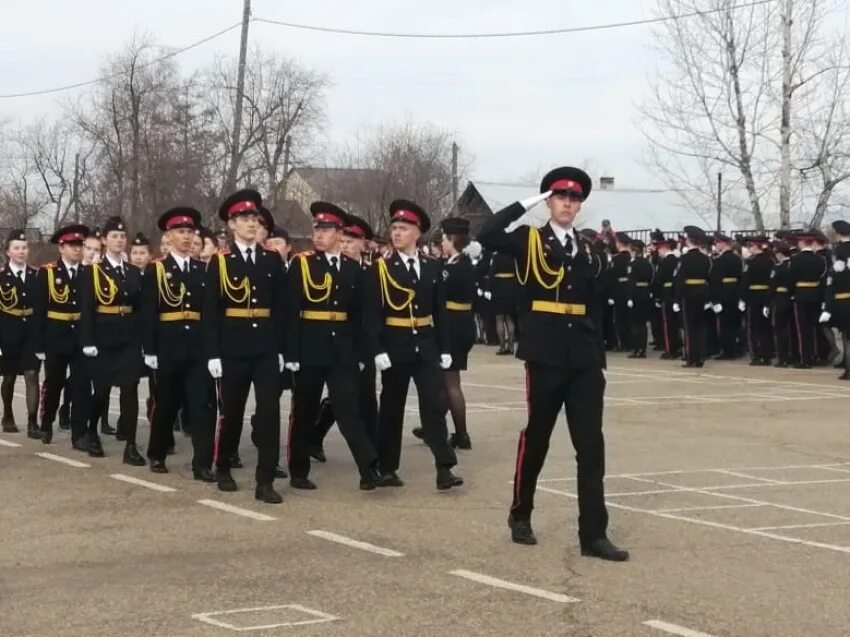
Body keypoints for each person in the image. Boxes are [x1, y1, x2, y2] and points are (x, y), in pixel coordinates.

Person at [477, 166, 627, 561]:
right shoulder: (530, 240)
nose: (567, 204)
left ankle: (593, 534)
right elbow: (487, 234)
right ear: (549, 201)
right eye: (560, 197)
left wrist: (598, 348)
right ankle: (520, 513)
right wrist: (527, 202)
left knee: (591, 446)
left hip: (583, 356)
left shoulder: (590, 249)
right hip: (545, 353)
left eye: (574, 199)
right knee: (538, 438)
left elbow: (597, 300)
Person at [364, 199, 463, 490]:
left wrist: (445, 349)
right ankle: (386, 467)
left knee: (433, 406)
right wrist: (377, 349)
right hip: (395, 346)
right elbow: (372, 315)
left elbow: (441, 312)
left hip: (426, 344)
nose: (396, 233)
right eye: (394, 228)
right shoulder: (380, 269)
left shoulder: (432, 267)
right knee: (391, 409)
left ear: (416, 233)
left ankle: (444, 467)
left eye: (403, 228)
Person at [284, 203, 381, 490]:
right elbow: (290, 312)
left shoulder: (354, 269)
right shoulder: (302, 264)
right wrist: (290, 353)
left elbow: (361, 316)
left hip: (343, 349)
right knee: (304, 410)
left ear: (340, 234)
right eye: (317, 229)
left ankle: (368, 466)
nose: (319, 235)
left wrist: (363, 353)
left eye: (326, 230)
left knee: (348, 407)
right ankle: (299, 469)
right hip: (309, 347)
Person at [203, 189, 287, 504]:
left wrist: (282, 351)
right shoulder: (221, 262)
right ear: (231, 224)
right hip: (233, 346)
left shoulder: (270, 259)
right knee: (233, 412)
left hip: (265, 346)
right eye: (244, 219)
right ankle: (223, 464)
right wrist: (212, 353)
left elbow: (282, 308)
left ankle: (265, 479)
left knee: (269, 412)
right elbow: (210, 312)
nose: (252, 224)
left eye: (254, 218)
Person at [142, 207, 217, 481]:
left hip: (197, 347)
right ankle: (157, 452)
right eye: (180, 232)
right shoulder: (157, 269)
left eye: (190, 232)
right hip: (169, 346)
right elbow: (149, 312)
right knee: (167, 404)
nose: (186, 237)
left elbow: (209, 313)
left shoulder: (203, 269)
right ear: (169, 236)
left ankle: (202, 463)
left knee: (202, 406)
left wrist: (213, 349)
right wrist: (149, 349)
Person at [310, 215, 379, 461]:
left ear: (365, 244)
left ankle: (373, 454)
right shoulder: (326, 267)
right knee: (342, 399)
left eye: (352, 240)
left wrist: (370, 348)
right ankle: (314, 438)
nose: (347, 244)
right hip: (338, 344)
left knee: (366, 400)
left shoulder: (368, 272)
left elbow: (370, 312)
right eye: (345, 239)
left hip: (362, 345)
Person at [78, 216, 145, 463]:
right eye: (114, 236)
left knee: (130, 389)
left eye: (122, 236)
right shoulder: (93, 272)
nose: (119, 240)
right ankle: (91, 430)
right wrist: (87, 341)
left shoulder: (133, 271)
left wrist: (142, 340)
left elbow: (139, 308)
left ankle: (130, 445)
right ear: (104, 241)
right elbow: (87, 308)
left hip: (128, 337)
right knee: (101, 392)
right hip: (103, 338)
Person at [34, 225, 90, 446]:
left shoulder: (87, 273)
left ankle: (79, 433)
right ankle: (46, 424)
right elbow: (39, 311)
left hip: (80, 337)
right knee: (54, 383)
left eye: (80, 245)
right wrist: (39, 344)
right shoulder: (48, 273)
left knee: (81, 385)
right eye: (73, 246)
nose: (78, 250)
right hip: (56, 336)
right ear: (62, 247)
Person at [0, 230, 41, 438]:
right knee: (8, 378)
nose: (21, 251)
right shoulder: (1, 277)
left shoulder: (37, 275)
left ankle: (33, 421)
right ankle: (7, 414)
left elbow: (42, 307)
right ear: (8, 252)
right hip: (8, 331)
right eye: (16, 248)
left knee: (32, 375)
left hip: (32, 333)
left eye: (24, 248)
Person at [674, 226, 713, 368]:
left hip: (688, 294)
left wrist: (677, 298)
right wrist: (709, 298)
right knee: (700, 327)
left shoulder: (684, 259)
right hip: (702, 293)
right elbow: (710, 280)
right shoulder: (706, 259)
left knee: (689, 327)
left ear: (689, 240)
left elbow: (680, 279)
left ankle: (690, 357)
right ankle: (700, 356)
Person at [789, 229, 828, 368]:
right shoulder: (821, 260)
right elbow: (823, 279)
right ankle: (816, 356)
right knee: (815, 327)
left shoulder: (795, 260)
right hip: (816, 295)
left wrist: (792, 293)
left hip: (800, 294)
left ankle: (805, 358)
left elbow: (791, 279)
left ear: (801, 242)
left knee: (802, 329)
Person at [821, 220, 850, 379]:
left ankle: (849, 369)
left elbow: (833, 281)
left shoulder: (840, 252)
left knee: (846, 336)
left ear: (838, 234)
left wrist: (828, 305)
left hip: (843, 301)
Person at [740, 236, 774, 365]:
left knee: (752, 327)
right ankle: (767, 355)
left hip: (753, 296)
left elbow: (746, 282)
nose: (749, 248)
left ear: (755, 246)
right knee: (765, 327)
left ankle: (756, 355)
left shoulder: (751, 262)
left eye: (751, 246)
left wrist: (743, 298)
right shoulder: (770, 261)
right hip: (765, 295)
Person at [710, 233, 744, 360]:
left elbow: (715, 281)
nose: (716, 246)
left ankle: (727, 351)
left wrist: (715, 299)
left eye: (717, 243)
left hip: (723, 293)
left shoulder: (718, 261)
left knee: (724, 324)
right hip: (735, 293)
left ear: (723, 244)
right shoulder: (738, 259)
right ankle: (736, 348)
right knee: (735, 323)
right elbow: (741, 278)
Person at [626, 239, 653, 358]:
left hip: (636, 294)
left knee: (635, 323)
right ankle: (643, 349)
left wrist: (629, 297)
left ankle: (637, 348)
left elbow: (630, 281)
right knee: (643, 324)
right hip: (646, 293)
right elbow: (652, 279)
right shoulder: (648, 264)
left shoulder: (633, 264)